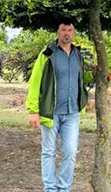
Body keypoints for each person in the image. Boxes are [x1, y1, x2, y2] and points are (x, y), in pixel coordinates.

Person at [26, 18, 89, 192]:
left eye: (70, 30)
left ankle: (63, 188)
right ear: (58, 31)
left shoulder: (78, 54)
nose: (66, 33)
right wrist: (33, 110)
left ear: (73, 32)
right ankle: (50, 189)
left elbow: (82, 79)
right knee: (48, 152)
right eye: (63, 29)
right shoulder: (47, 54)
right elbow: (35, 82)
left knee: (70, 152)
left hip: (72, 113)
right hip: (50, 113)